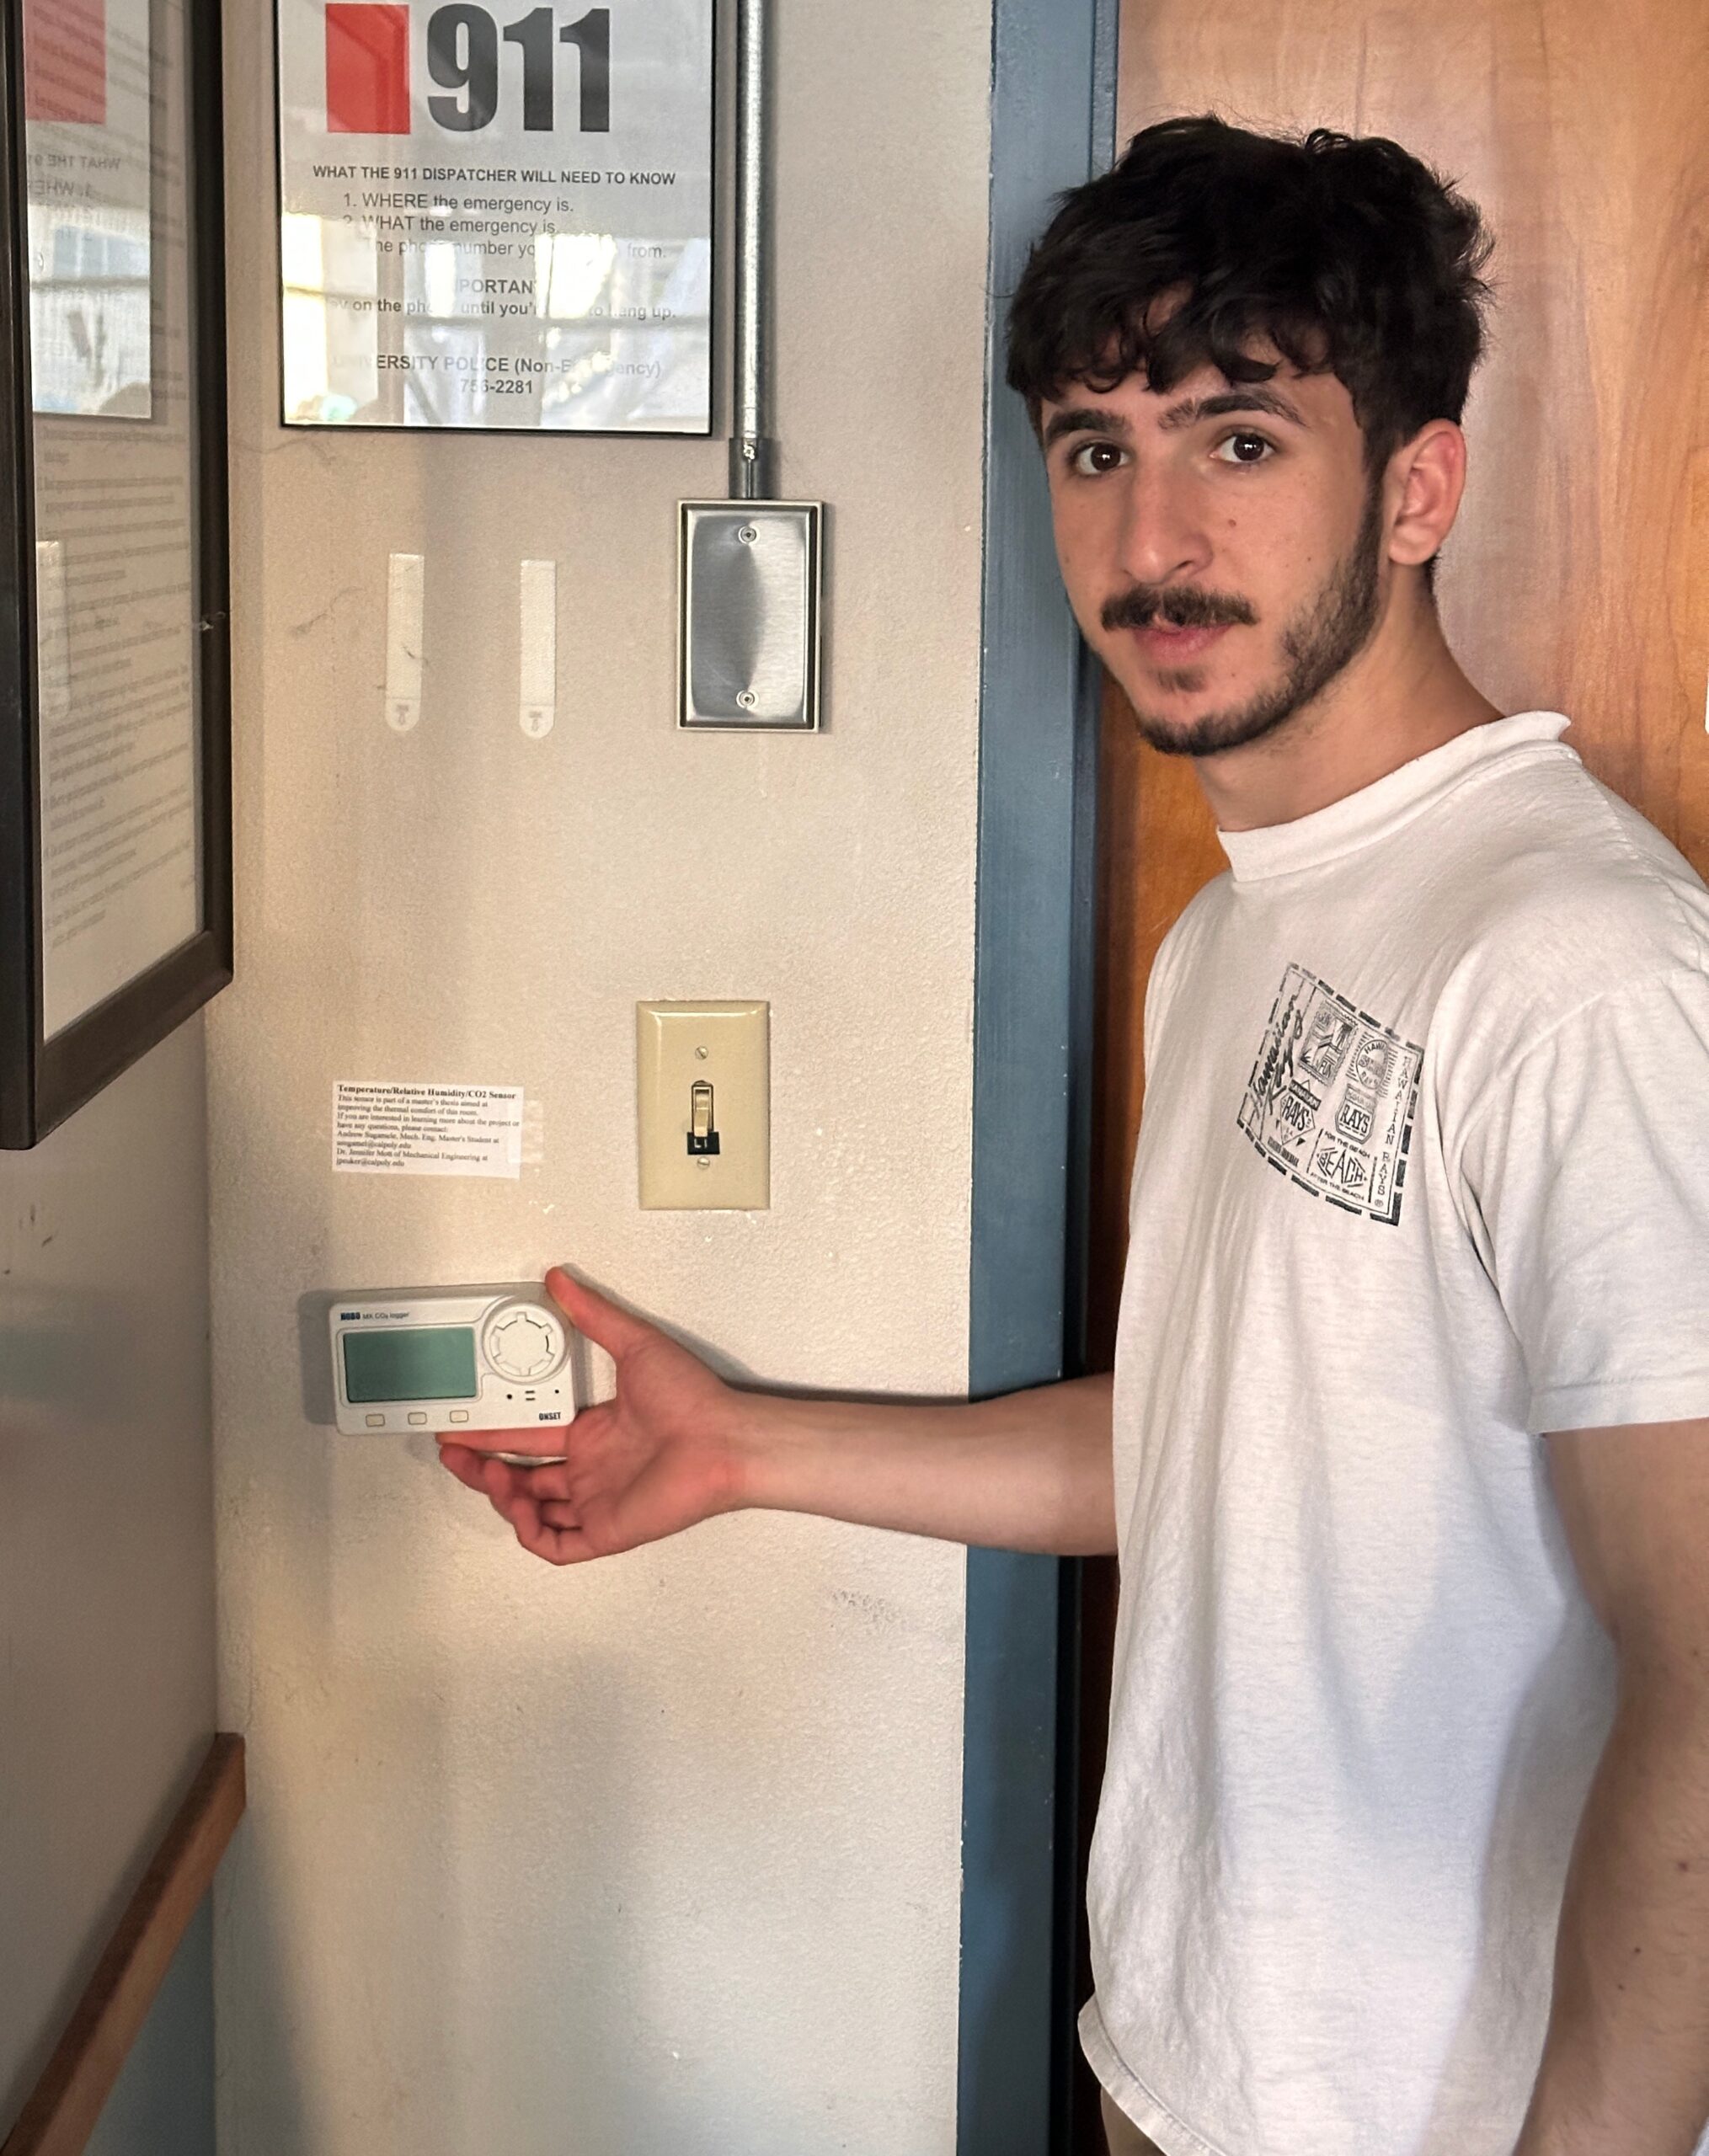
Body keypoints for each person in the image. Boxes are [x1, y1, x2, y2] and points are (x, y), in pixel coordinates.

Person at [440, 117, 1709, 2156]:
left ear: (1416, 486)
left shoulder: (1581, 967)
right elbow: (1228, 1439)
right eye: (1095, 446)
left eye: (1237, 436)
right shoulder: (1230, 937)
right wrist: (750, 1444)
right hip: (1186, 2073)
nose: (1149, 539)